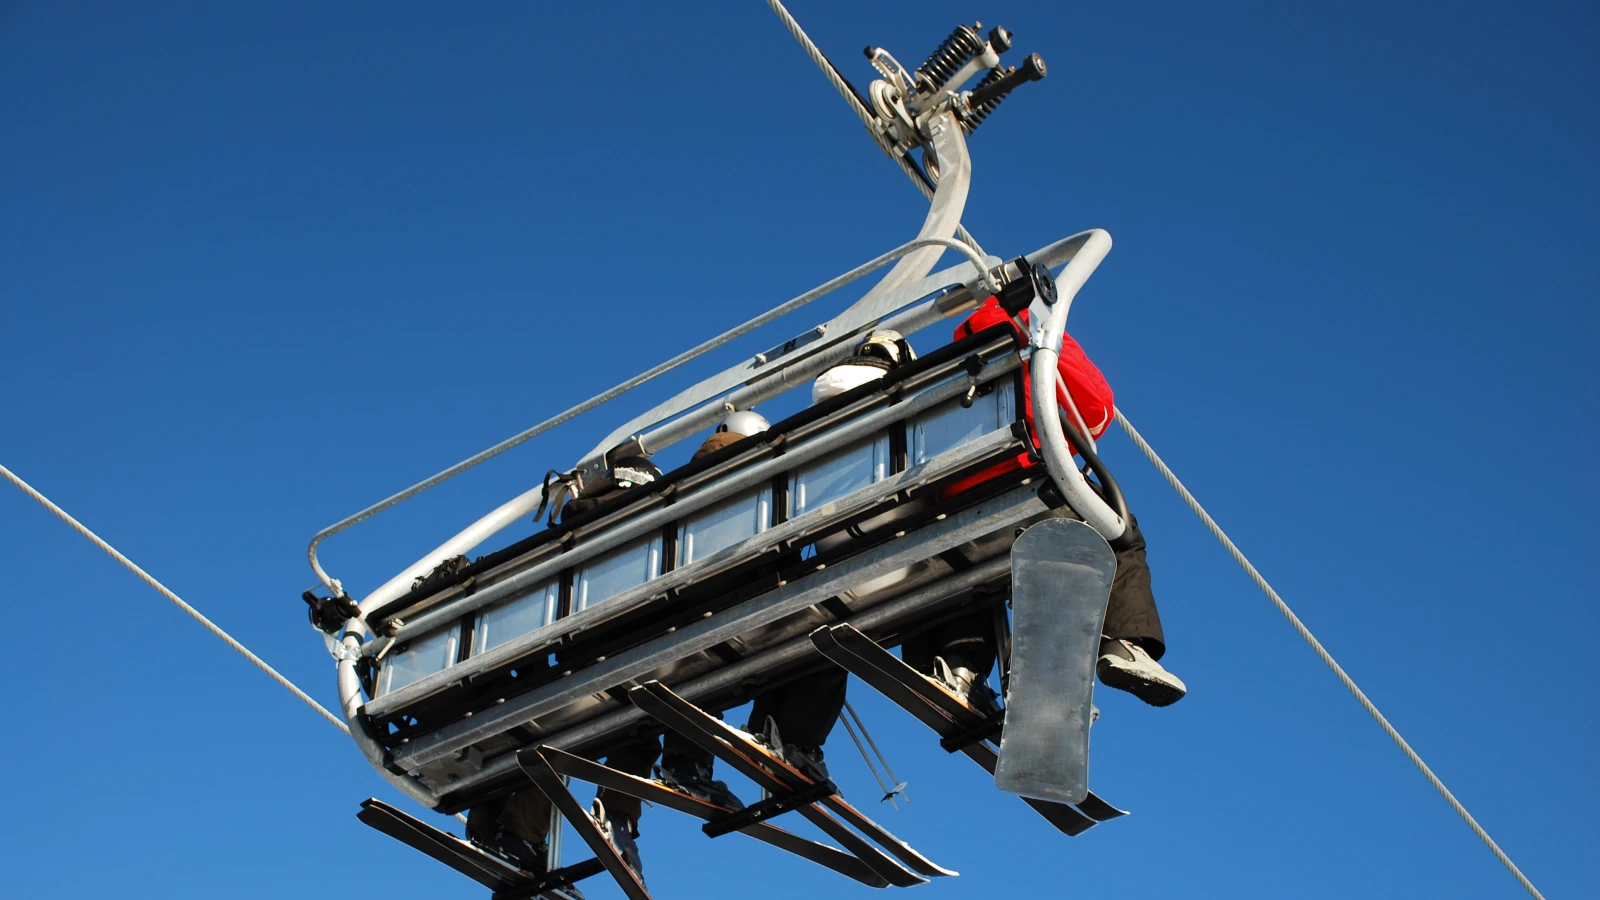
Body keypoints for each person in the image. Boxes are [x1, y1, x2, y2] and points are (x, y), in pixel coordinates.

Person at [905, 295, 1187, 710]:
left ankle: (959, 666)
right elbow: (1096, 409)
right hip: (1029, 491)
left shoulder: (939, 370)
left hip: (951, 514)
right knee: (1119, 534)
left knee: (973, 575)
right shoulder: (1034, 331)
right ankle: (1122, 643)